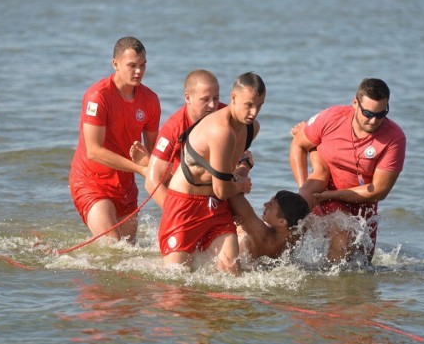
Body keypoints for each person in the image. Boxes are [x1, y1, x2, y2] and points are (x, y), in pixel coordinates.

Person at [158, 72, 266, 274]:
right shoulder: (220, 130)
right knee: (176, 284)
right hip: (184, 206)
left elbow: (227, 170)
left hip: (215, 206)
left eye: (259, 106)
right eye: (249, 104)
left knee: (231, 273)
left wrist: (243, 168)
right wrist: (241, 185)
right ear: (233, 97)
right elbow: (222, 189)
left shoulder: (252, 128)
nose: (254, 113)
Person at [289, 78, 406, 263]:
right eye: (367, 113)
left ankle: (332, 289)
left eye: (381, 113)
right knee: (289, 225)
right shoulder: (331, 117)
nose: (374, 120)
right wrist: (304, 190)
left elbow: (379, 190)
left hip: (361, 204)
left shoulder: (394, 138)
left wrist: (331, 195)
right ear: (355, 103)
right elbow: (298, 144)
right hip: (320, 191)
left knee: (360, 266)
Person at [69, 36, 161, 243]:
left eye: (143, 65)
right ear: (115, 64)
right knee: (111, 243)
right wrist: (141, 169)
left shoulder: (151, 100)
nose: (138, 72)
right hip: (91, 181)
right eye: (132, 66)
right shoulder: (98, 96)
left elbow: (155, 150)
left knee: (127, 250)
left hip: (125, 186)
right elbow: (94, 150)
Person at [129, 69, 234, 208]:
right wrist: (175, 215)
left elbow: (245, 147)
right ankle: (152, 164)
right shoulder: (173, 128)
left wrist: (245, 165)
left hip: (219, 183)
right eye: (205, 99)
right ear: (188, 97)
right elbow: (151, 182)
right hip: (185, 187)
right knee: (166, 176)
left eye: (216, 98)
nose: (212, 105)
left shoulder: (226, 116)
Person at [230, 190, 310, 261]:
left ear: (282, 222)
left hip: (245, 259)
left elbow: (233, 195)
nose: (265, 204)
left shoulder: (262, 236)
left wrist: (240, 184)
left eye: (270, 205)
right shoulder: (298, 231)